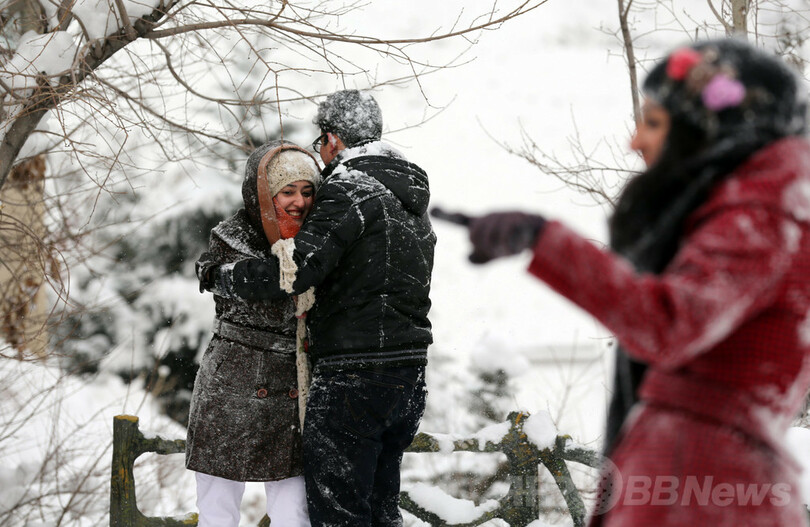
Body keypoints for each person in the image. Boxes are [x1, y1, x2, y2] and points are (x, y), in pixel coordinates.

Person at [455, 38, 810, 525]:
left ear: (709, 130)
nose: (635, 140)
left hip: (699, 481)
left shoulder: (763, 218)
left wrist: (545, 241)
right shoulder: (764, 211)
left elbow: (668, 323)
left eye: (655, 122)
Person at [197, 89, 436, 527]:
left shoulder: (349, 190)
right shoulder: (412, 199)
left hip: (354, 373)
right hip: (409, 373)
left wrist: (220, 275)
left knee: (338, 510)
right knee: (380, 507)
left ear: (332, 139)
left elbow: (294, 273)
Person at [186, 140, 322, 527]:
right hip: (231, 384)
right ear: (263, 193)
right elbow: (255, 290)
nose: (299, 202)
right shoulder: (231, 237)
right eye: (287, 191)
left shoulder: (321, 242)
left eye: (308, 191)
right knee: (217, 508)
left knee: (294, 511)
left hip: (293, 387)